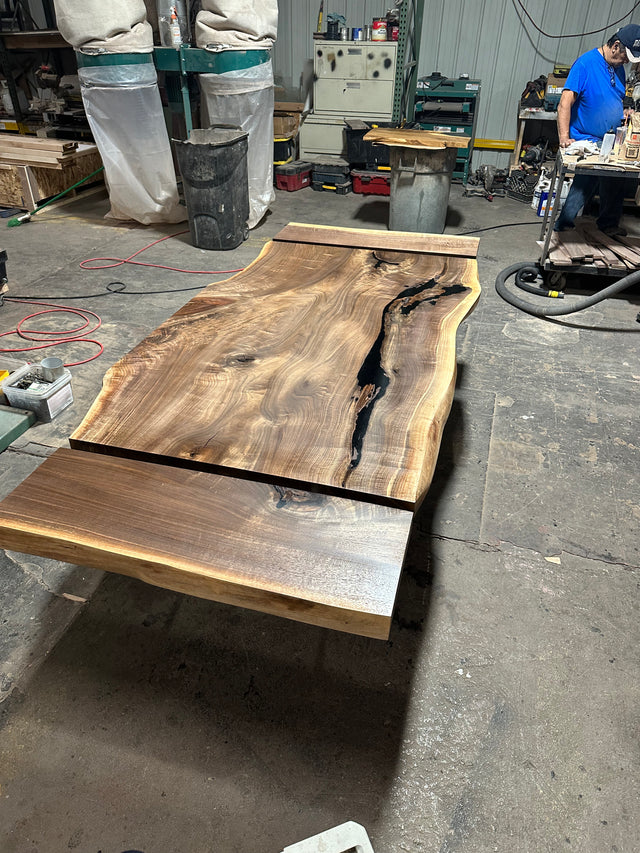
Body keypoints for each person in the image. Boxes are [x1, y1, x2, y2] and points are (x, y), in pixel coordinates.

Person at [554, 24, 640, 236]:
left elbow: (612, 98)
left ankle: (596, 223)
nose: (626, 62)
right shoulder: (585, 64)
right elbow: (565, 103)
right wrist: (564, 137)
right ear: (616, 45)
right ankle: (568, 224)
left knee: (607, 177)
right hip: (587, 138)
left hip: (610, 137)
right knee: (598, 177)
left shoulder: (617, 68)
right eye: (625, 56)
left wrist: (624, 113)